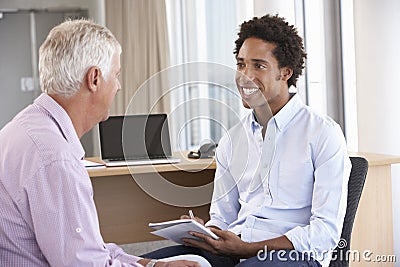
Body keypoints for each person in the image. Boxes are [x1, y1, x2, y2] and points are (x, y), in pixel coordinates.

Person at [141, 14, 351, 267]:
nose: (244, 76)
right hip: (233, 251)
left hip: (293, 256)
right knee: (144, 263)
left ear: (285, 72)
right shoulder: (233, 139)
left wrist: (249, 248)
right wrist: (208, 232)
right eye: (241, 65)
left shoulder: (322, 133)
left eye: (259, 66)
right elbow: (223, 216)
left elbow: (325, 233)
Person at [0, 19, 211, 267]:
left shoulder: (22, 127)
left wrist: (153, 265)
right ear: (95, 78)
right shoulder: (56, 158)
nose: (118, 87)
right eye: (117, 75)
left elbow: (91, 250)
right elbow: (86, 264)